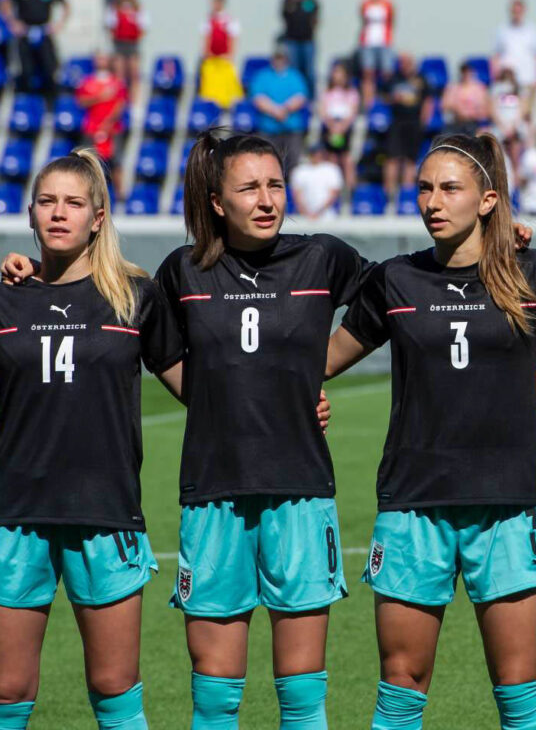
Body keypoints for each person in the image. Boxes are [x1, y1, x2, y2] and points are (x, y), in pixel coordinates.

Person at [325, 132, 536, 730]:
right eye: (424, 188)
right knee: (400, 692)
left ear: (487, 200)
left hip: (507, 504)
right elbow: (327, 357)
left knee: (520, 696)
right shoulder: (397, 279)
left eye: (449, 189)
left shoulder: (533, 271)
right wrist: (294, 389)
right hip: (413, 504)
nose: (432, 202)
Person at [154, 131, 370, 730]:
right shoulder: (183, 270)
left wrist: (313, 374)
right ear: (217, 202)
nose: (267, 199)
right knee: (215, 697)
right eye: (249, 188)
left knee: (301, 697)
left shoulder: (322, 257)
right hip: (212, 492)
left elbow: (398, 295)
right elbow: (154, 342)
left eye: (275, 185)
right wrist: (219, 402)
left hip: (300, 490)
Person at [0, 149, 183, 730]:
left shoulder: (134, 296)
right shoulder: (5, 295)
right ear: (30, 213)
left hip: (105, 511)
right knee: (6, 690)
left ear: (98, 217)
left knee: (114, 686)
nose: (59, 213)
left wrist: (291, 402)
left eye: (74, 203)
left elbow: (198, 387)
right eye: (47, 201)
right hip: (13, 513)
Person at [3, 0, 70, 100]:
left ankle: (49, 101)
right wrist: (13, 23)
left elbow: (65, 5)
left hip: (43, 32)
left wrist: (59, 24)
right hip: (26, 33)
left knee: (49, 68)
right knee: (26, 69)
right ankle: (27, 102)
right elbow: (6, 3)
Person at [75, 49, 128, 198]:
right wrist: (100, 97)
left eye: (104, 58)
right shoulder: (87, 82)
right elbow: (81, 101)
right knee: (88, 161)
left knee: (116, 161)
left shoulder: (117, 83)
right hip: (91, 128)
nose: (101, 61)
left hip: (113, 129)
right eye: (98, 58)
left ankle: (120, 195)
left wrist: (109, 122)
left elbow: (120, 104)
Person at [251, 45, 308, 175]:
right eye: (277, 57)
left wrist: (285, 109)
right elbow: (258, 98)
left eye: (282, 57)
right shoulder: (263, 76)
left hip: (291, 129)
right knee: (267, 163)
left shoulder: (295, 76)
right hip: (268, 129)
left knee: (293, 164)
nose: (279, 60)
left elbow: (300, 97)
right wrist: (275, 110)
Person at [383, 52, 433, 199]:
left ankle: (406, 196)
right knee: (392, 159)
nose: (403, 65)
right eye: (401, 62)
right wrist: (393, 98)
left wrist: (424, 121)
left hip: (414, 123)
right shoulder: (394, 79)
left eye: (406, 62)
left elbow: (428, 101)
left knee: (410, 160)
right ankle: (389, 195)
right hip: (397, 122)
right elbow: (383, 96)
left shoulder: (421, 79)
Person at [493, 0, 536, 117]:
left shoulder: (533, 31)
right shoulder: (502, 30)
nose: (517, 13)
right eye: (514, 10)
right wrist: (496, 76)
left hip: (528, 80)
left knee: (527, 114)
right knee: (509, 113)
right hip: (508, 82)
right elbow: (496, 56)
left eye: (519, 10)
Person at [198, 0, 243, 111]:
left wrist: (230, 54)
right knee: (210, 86)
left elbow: (233, 38)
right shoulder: (208, 19)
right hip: (212, 59)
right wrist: (206, 53)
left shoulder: (229, 20)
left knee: (227, 85)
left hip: (224, 59)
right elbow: (206, 37)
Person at [320, 62, 359, 191]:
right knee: (331, 159)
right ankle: (331, 189)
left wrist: (342, 127)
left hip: (345, 128)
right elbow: (323, 111)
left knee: (346, 159)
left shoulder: (352, 93)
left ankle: (349, 191)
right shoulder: (327, 92)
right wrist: (332, 126)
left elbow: (353, 112)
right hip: (330, 127)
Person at [105, 0, 147, 102]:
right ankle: (120, 100)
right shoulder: (114, 7)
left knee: (134, 74)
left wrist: (136, 37)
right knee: (120, 74)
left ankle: (134, 101)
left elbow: (144, 26)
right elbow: (110, 25)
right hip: (119, 43)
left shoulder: (138, 8)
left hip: (133, 44)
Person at [281, 0, 320, 100]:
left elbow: (315, 19)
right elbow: (285, 18)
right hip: (292, 41)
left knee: (309, 72)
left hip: (308, 41)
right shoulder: (288, 1)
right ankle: (296, 98)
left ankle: (311, 99)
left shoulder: (311, 1)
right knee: (295, 72)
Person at [358, 0, 395, 107]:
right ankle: (369, 103)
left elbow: (392, 21)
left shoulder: (387, 3)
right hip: (368, 41)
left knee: (387, 73)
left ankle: (386, 100)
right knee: (368, 74)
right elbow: (363, 20)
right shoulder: (365, 3)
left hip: (384, 41)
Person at [290, 143, 343, 220]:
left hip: (327, 217)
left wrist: (318, 213)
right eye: (314, 153)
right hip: (304, 216)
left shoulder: (332, 169)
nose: (317, 155)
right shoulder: (299, 170)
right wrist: (306, 213)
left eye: (319, 153)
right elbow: (297, 194)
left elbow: (334, 194)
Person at [490, 67, 525, 178]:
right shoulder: (496, 89)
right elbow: (493, 109)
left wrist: (514, 126)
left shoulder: (519, 89)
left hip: (515, 125)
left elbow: (523, 109)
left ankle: (516, 172)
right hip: (500, 125)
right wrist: (502, 126)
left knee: (516, 144)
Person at [441, 62, 491, 137]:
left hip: (474, 123)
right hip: (457, 123)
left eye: (468, 72)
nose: (466, 75)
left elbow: (485, 109)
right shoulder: (453, 88)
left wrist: (472, 113)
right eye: (464, 72)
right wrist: (457, 110)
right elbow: (445, 105)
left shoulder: (479, 88)